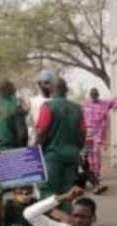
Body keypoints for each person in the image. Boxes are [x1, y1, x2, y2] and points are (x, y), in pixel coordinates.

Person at [35, 78, 85, 206]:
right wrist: (76, 149)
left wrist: (36, 151)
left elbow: (41, 132)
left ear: (51, 90)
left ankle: (49, 222)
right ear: (66, 90)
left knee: (48, 192)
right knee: (68, 191)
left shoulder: (47, 107)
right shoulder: (77, 108)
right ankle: (65, 222)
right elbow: (83, 132)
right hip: (71, 156)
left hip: (52, 156)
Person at [82, 88, 117, 195]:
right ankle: (92, 173)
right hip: (88, 132)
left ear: (98, 95)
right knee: (89, 154)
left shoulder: (104, 103)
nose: (94, 96)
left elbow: (116, 102)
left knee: (96, 153)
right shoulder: (86, 104)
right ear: (90, 95)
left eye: (95, 94)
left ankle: (96, 173)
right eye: (92, 95)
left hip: (99, 132)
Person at [27, 70, 54, 147]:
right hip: (36, 141)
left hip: (52, 142)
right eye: (41, 83)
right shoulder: (32, 101)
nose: (44, 85)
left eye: (47, 82)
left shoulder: (55, 101)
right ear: (38, 84)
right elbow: (29, 123)